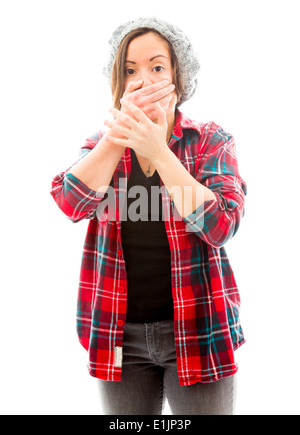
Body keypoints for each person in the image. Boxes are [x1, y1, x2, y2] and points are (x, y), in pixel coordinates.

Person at [50, 17, 247, 415]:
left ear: (178, 76)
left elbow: (222, 226)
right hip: (117, 335)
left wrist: (159, 152)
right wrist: (117, 136)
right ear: (118, 83)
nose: (143, 81)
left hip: (199, 330)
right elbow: (70, 203)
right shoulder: (101, 145)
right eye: (130, 70)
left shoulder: (209, 140)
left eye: (157, 67)